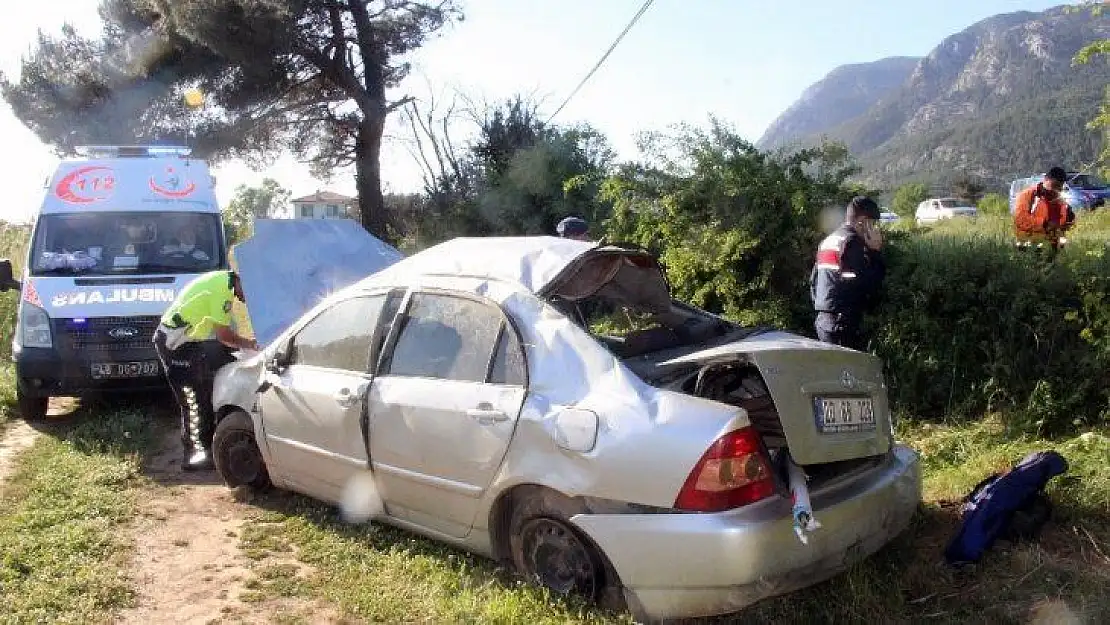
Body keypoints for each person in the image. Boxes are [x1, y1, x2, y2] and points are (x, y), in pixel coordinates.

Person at [153, 270, 258, 471]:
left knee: (205, 391)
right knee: (192, 399)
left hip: (189, 342)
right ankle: (194, 457)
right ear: (241, 281)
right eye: (248, 294)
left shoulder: (222, 281)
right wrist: (251, 344)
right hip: (175, 344)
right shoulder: (222, 291)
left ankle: (205, 447)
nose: (245, 301)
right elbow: (224, 335)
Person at [810, 196, 886, 350]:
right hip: (842, 324)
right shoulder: (852, 242)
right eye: (873, 223)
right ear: (862, 221)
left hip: (823, 321)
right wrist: (875, 252)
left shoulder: (829, 240)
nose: (874, 228)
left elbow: (813, 282)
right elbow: (867, 283)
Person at [1013, 166, 1075, 255]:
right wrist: (1045, 224)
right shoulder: (1028, 195)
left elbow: (1064, 226)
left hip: (1052, 248)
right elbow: (1020, 219)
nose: (1056, 190)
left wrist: (1070, 219)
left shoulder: (1060, 201)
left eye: (1059, 187)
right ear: (1045, 180)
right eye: (1054, 186)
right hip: (1028, 247)